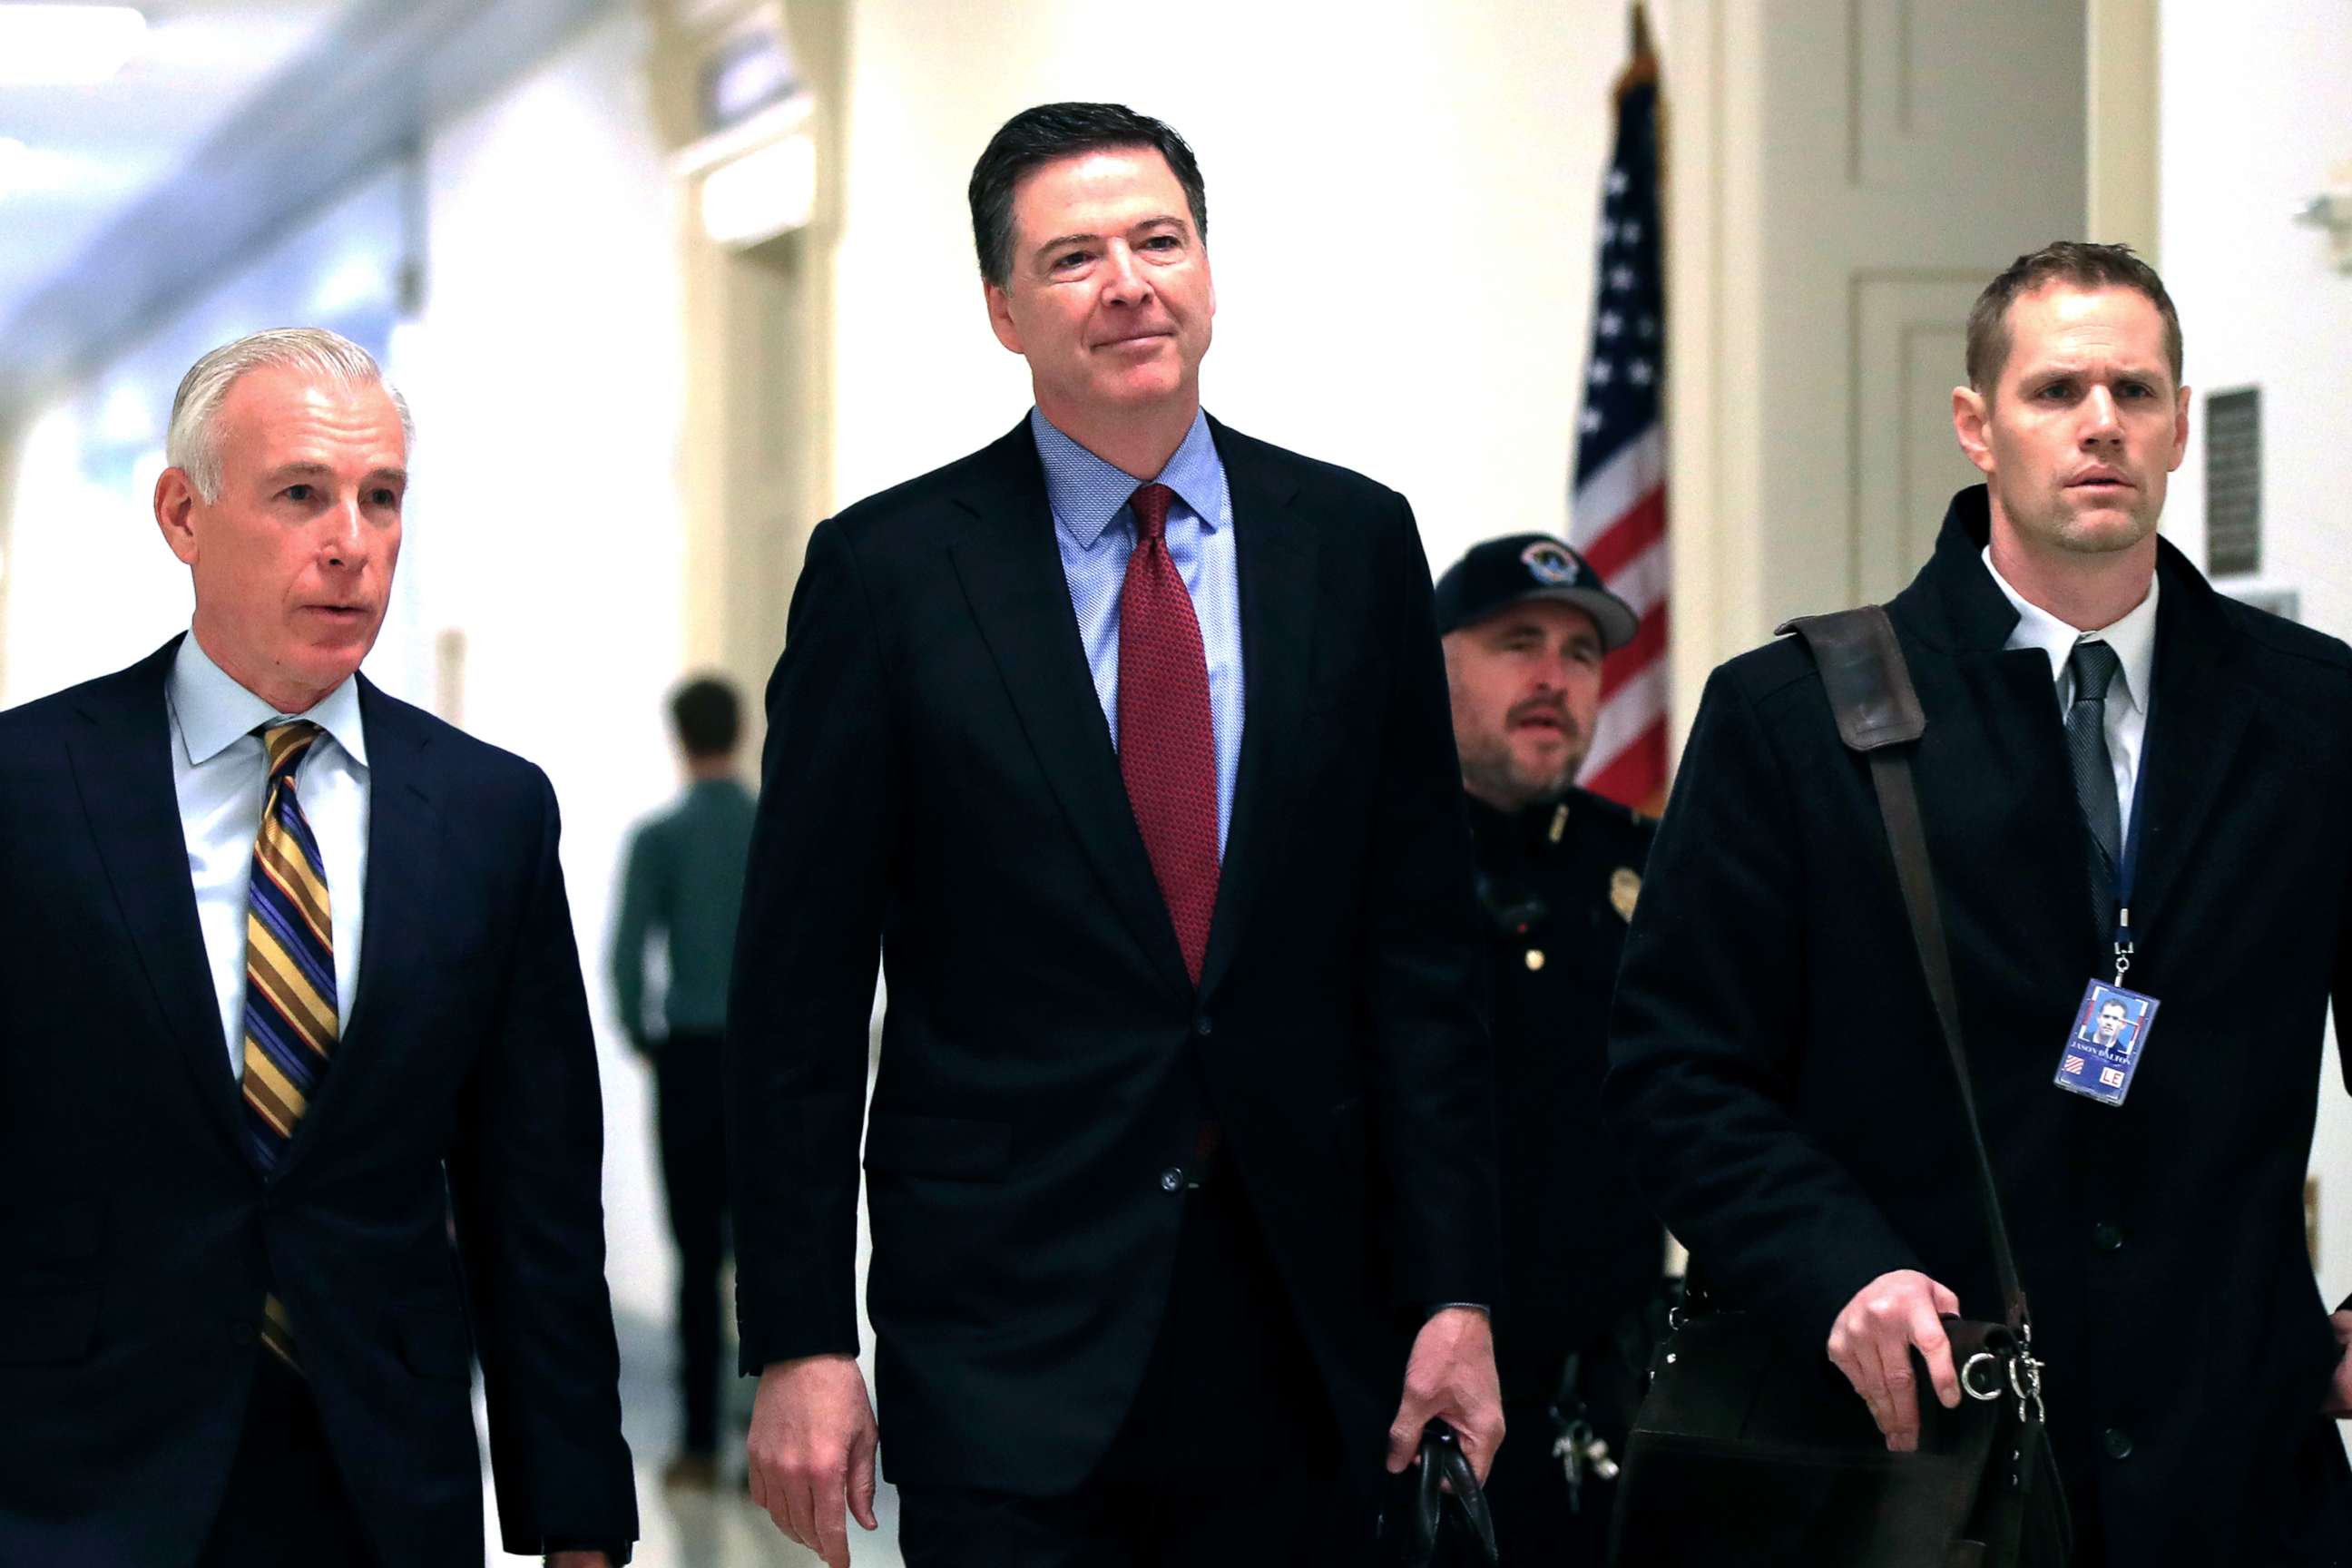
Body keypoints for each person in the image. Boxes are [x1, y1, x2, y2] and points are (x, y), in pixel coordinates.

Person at [725, 102, 1503, 1567]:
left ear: (1207, 267)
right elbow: (798, 996)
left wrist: (1455, 1289)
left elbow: (1420, 957)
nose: (1130, 282)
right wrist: (801, 1338)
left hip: (1304, 1313)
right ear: (1003, 310)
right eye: (1074, 257)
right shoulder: (890, 576)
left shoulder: (1349, 544)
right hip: (1007, 1324)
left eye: (1160, 239)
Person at [1606, 242, 2352, 1564]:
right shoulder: (1793, 719)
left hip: (2235, 1464)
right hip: (1917, 1458)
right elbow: (1677, 1070)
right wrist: (1836, 1268)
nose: (2102, 424)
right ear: (1976, 426)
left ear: (2182, 422)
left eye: (2135, 389)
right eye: (2057, 389)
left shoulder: (2315, 715)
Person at [0, 329, 635, 1567]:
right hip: (75, 1476)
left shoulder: (489, 816)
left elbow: (535, 1202)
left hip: (380, 1475)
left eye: (382, 497)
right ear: (183, 514)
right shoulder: (28, 791)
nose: (352, 541)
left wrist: (578, 1525)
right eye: (302, 494)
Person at [1434, 534, 1667, 1561]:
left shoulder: (1646, 872)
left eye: (1580, 654)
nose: (1553, 677)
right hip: (1416, 1407)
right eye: (1517, 642)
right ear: (1430, 659)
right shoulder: (1365, 855)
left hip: (1608, 1400)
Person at [610, 674, 758, 1489]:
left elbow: (629, 953)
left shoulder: (660, 839)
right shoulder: (771, 828)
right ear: (739, 733)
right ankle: (763, 1441)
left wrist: (644, 1033)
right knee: (767, 1251)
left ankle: (699, 1442)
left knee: (697, 1256)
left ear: (680, 736)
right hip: (767, 1067)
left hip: (692, 1061)